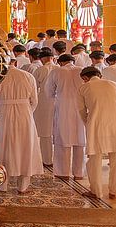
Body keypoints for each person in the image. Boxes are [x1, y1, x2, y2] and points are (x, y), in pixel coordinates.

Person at [0, 65, 43, 193]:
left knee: (3, 145)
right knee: (25, 146)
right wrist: (27, 112)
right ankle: (23, 186)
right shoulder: (28, 76)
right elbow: (34, 101)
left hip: (2, 113)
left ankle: (2, 184)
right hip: (24, 114)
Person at [44, 54, 86, 179]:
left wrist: (57, 97)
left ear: (61, 62)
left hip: (63, 106)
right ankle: (79, 173)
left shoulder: (57, 71)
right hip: (80, 106)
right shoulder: (81, 70)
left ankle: (63, 172)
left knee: (63, 139)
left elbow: (48, 91)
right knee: (80, 140)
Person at [78, 67, 116, 199]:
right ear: (99, 75)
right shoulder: (113, 84)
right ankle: (114, 191)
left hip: (96, 124)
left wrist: (87, 123)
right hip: (115, 124)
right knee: (115, 159)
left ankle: (96, 191)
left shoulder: (84, 88)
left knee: (94, 159)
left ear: (85, 78)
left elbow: (81, 111)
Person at [33, 50, 58, 165]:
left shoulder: (41, 69)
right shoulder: (59, 69)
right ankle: (59, 159)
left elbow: (34, 87)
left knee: (45, 132)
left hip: (44, 102)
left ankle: (47, 160)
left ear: (42, 59)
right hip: (59, 102)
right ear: (52, 57)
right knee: (58, 131)